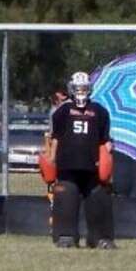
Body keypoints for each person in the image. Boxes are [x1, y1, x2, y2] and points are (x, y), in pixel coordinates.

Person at [49, 71, 115, 249]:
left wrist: (108, 160)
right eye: (78, 88)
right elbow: (56, 137)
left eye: (84, 88)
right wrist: (52, 158)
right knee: (66, 197)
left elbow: (105, 141)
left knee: (98, 198)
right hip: (67, 165)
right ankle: (66, 235)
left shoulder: (100, 111)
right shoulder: (62, 111)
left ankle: (100, 237)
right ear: (71, 88)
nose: (81, 91)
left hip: (93, 165)